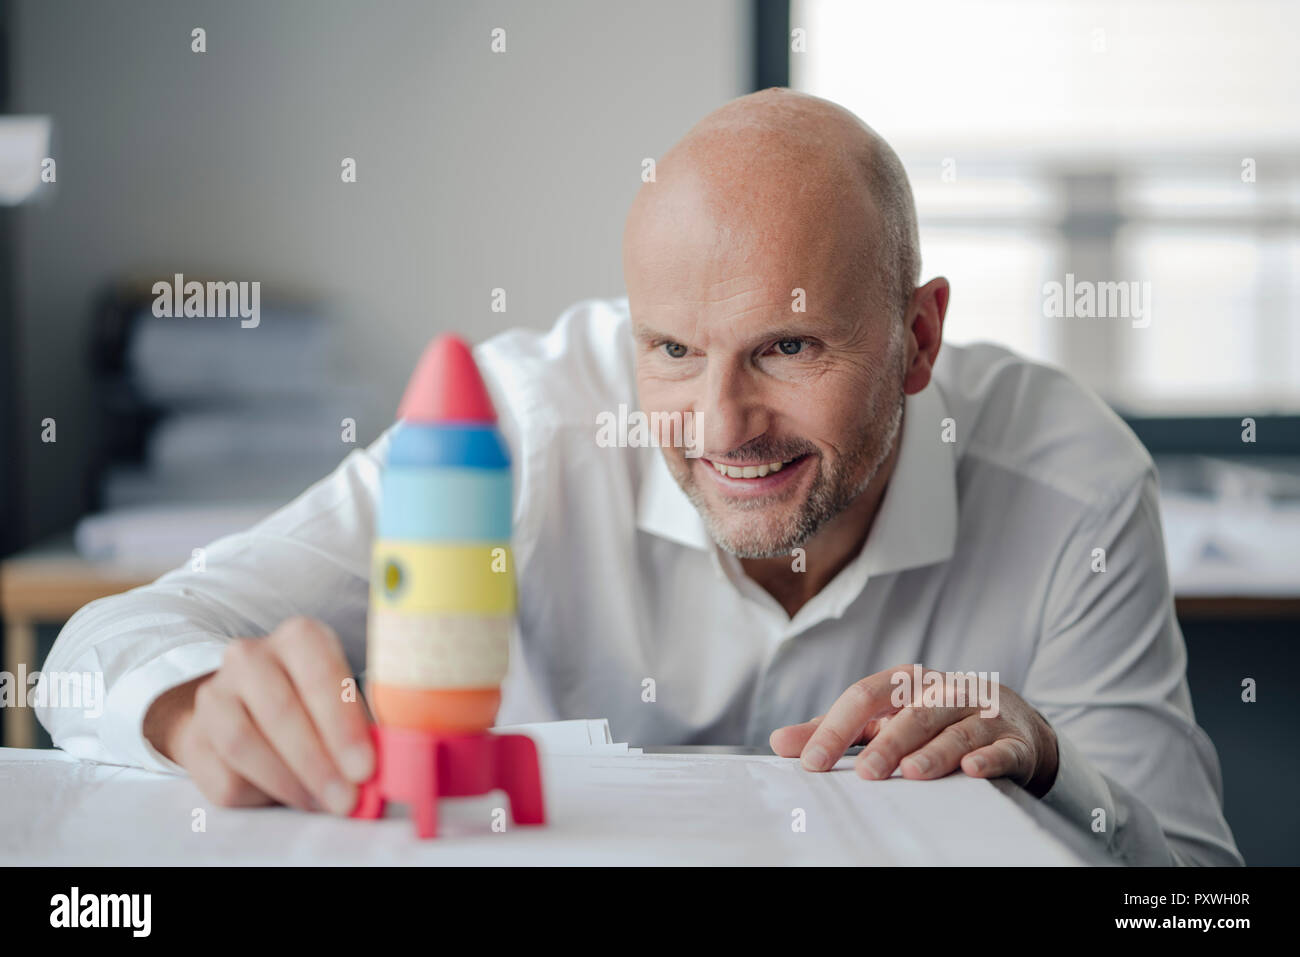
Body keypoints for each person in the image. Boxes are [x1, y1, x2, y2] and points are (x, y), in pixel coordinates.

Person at [37, 88, 1241, 865]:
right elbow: (109, 641)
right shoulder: (514, 427)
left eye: (787, 346)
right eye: (671, 350)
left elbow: (1193, 890)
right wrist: (189, 704)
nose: (721, 423)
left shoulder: (1071, 480)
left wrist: (1046, 759)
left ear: (917, 340)